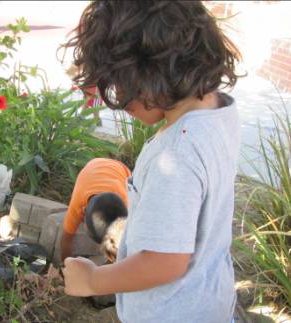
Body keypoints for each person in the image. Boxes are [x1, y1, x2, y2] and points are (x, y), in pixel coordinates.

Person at [61, 1, 241, 323]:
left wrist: (92, 280)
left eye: (121, 82)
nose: (119, 99)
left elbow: (165, 262)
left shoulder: (176, 153)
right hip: (210, 301)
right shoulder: (219, 112)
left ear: (155, 71)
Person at [61, 158, 130, 262]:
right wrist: (65, 267)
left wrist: (109, 266)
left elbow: (121, 244)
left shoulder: (128, 201)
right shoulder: (77, 205)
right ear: (83, 213)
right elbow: (66, 240)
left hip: (121, 171)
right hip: (93, 166)